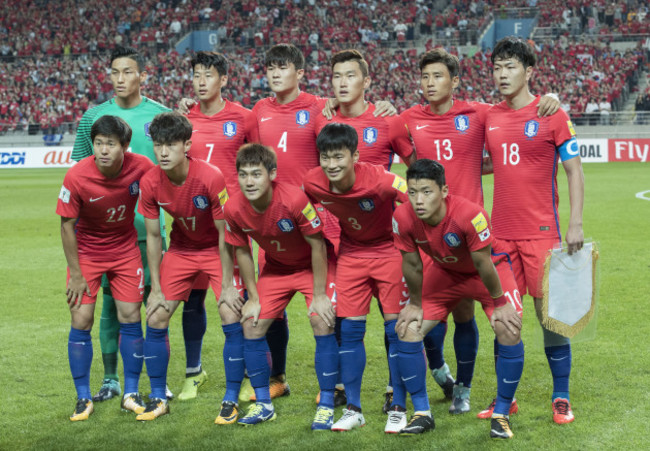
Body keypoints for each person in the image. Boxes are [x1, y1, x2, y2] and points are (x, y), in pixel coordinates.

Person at [400, 48, 560, 414]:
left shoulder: (479, 113)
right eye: (424, 77)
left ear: (455, 81)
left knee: (465, 315)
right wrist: (335, 105)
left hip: (468, 233)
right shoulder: (407, 118)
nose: (429, 83)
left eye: (437, 76)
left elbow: (518, 117)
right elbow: (382, 136)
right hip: (426, 233)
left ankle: (463, 387)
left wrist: (550, 99)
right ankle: (439, 370)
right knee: (423, 312)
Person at [485, 36, 584, 425]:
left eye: (510, 67)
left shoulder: (553, 115)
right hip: (500, 239)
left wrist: (574, 223)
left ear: (529, 72)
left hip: (543, 236)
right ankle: (505, 400)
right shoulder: (487, 115)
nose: (503, 74)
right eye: (497, 67)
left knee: (551, 320)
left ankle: (561, 397)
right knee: (504, 319)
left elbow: (574, 170)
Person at [393, 158, 524, 438]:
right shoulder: (402, 217)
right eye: (413, 192)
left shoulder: (469, 215)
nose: (418, 200)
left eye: (426, 192)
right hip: (446, 273)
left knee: (508, 329)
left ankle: (501, 413)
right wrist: (414, 303)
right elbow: (413, 265)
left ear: (444, 191)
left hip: (489, 272)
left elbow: (483, 263)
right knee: (407, 330)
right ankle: (422, 414)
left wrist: (500, 303)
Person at [71, 45, 171, 402]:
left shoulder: (161, 115)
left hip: (150, 232)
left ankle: (157, 377)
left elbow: (173, 170)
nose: (120, 79)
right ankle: (111, 379)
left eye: (127, 72)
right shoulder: (93, 118)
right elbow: (79, 173)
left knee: (157, 305)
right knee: (111, 308)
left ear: (143, 76)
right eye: (114, 72)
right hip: (104, 238)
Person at [221, 143, 337, 428]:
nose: (249, 181)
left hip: (312, 266)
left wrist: (320, 295)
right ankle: (263, 404)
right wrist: (253, 296)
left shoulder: (294, 199)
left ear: (271, 174)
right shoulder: (234, 207)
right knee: (250, 322)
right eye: (243, 175)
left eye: (256, 174)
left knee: (322, 320)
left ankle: (327, 404)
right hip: (276, 269)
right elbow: (243, 251)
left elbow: (317, 245)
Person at [303, 123, 410, 433]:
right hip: (350, 255)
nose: (332, 164)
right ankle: (353, 409)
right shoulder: (313, 183)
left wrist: (411, 242)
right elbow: (300, 210)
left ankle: (399, 407)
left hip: (388, 252)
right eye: (325, 157)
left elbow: (414, 199)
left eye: (339, 157)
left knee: (395, 330)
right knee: (349, 331)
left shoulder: (380, 179)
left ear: (355, 156)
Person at [135, 112, 235, 421]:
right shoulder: (150, 181)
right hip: (181, 249)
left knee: (232, 313)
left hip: (216, 249)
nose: (163, 152)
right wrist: (155, 287)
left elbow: (225, 234)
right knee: (155, 315)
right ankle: (157, 396)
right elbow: (153, 235)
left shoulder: (210, 176)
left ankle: (231, 397)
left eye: (171, 145)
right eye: (158, 145)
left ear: (187, 145)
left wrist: (229, 284)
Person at [57, 115, 154, 421]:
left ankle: (131, 392)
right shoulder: (76, 176)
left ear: (124, 146)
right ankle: (83, 397)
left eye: (110, 144)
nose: (103, 150)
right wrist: (74, 273)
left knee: (130, 317)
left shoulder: (141, 167)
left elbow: (164, 190)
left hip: (125, 249)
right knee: (81, 318)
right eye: (98, 143)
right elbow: (66, 225)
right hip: (87, 252)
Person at [175, 51, 259, 401]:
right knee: (193, 302)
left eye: (208, 75)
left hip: (232, 226)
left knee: (235, 301)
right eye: (196, 74)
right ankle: (194, 372)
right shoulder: (182, 117)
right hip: (190, 227)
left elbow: (256, 164)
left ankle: (240, 376)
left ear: (224, 79)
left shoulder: (244, 117)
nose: (200, 81)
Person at [315, 49, 415, 171]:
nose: (342, 83)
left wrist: (397, 187)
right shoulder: (322, 120)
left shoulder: (389, 120)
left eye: (350, 76)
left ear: (366, 82)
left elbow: (418, 170)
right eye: (337, 76)